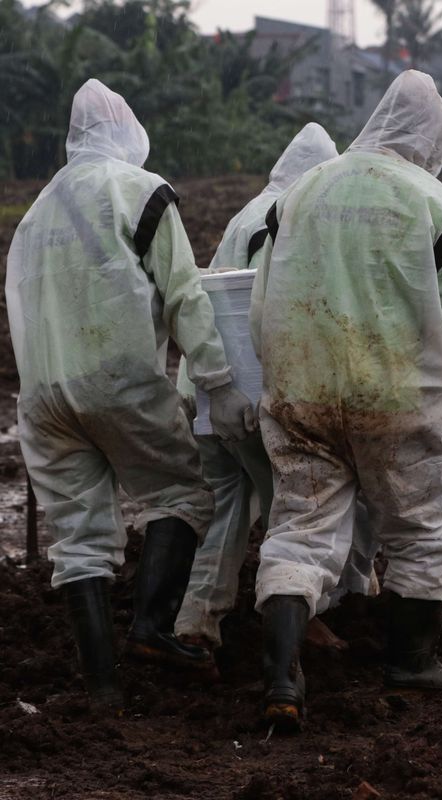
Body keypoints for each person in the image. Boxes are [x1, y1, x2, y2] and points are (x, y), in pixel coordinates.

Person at [6, 79, 255, 710]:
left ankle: (103, 687)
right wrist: (218, 380)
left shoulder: (35, 214)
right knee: (181, 490)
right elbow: (183, 292)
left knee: (80, 536)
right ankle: (151, 628)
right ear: (126, 131)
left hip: (43, 394)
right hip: (118, 380)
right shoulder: (139, 190)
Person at [250, 70, 442, 731]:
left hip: (302, 393)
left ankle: (283, 678)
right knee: (417, 530)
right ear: (435, 137)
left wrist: (286, 374)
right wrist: (433, 375)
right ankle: (410, 663)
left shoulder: (299, 193)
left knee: (298, 531)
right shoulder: (431, 201)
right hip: (397, 394)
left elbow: (263, 305)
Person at [174, 124, 376, 661]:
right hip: (255, 392)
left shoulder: (248, 211)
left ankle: (197, 620)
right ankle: (306, 619)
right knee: (300, 512)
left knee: (227, 509)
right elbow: (278, 314)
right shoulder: (292, 214)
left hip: (206, 391)